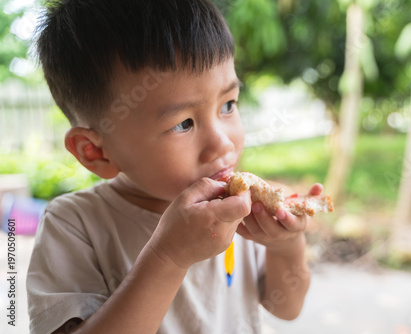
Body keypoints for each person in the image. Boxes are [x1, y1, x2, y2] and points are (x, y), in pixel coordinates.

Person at [27, 0, 322, 333]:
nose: (223, 143)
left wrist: (285, 245)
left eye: (228, 105)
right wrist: (169, 257)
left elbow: (285, 307)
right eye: (183, 124)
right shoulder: (74, 226)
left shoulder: (243, 209)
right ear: (96, 151)